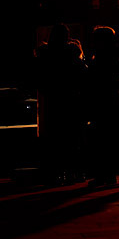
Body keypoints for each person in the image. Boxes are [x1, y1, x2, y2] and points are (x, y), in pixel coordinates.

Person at [34, 24, 86, 185]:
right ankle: (72, 171)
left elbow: (38, 78)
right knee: (70, 138)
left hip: (50, 100)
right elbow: (81, 74)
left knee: (52, 139)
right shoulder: (72, 54)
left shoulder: (44, 54)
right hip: (69, 100)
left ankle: (52, 173)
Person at [84, 26, 119, 187]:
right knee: (108, 138)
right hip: (110, 101)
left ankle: (104, 175)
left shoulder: (101, 59)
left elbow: (98, 81)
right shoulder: (113, 58)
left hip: (102, 101)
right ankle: (108, 174)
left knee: (102, 138)